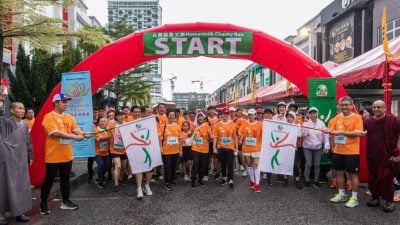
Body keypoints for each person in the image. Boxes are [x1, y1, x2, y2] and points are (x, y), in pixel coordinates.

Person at [40, 93, 91, 215]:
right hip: (53, 155)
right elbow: (55, 133)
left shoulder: (69, 117)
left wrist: (83, 134)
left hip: (67, 154)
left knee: (65, 180)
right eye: (63, 102)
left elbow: (76, 129)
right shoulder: (48, 117)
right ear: (56, 103)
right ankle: (43, 204)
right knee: (49, 180)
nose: (66, 104)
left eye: (67, 102)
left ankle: (66, 202)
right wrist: (75, 136)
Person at [328, 96, 365, 208]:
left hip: (352, 152)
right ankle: (342, 194)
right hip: (338, 150)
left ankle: (354, 198)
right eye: (342, 105)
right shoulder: (338, 117)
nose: (344, 107)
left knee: (353, 175)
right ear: (339, 106)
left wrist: (340, 132)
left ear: (352, 106)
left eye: (347, 105)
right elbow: (332, 130)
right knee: (339, 173)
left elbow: (358, 133)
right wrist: (328, 131)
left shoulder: (357, 117)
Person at [364, 100, 400, 212]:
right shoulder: (368, 121)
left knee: (387, 179)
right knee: (373, 177)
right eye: (374, 107)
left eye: (379, 107)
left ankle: (389, 201)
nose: (376, 109)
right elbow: (364, 134)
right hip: (372, 154)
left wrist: (399, 153)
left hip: (388, 154)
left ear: (385, 108)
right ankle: (375, 198)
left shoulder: (394, 120)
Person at [0, 101, 33, 224]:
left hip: (21, 159)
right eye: (19, 108)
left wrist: (30, 155)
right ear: (12, 110)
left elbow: (28, 142)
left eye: (23, 108)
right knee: (4, 185)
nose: (22, 111)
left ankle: (19, 212)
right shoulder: (5, 123)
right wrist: (1, 100)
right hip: (6, 160)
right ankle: (1, 213)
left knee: (21, 186)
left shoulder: (24, 125)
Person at [301, 107, 330, 188]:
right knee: (308, 163)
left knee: (317, 164)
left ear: (317, 113)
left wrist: (326, 144)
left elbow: (325, 134)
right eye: (311, 113)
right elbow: (302, 134)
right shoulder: (306, 123)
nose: (313, 114)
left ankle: (316, 180)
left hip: (318, 147)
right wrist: (305, 127)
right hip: (307, 146)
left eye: (314, 113)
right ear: (308, 114)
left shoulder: (321, 123)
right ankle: (307, 180)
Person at [212, 107, 238, 189]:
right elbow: (215, 137)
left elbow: (235, 137)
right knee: (223, 164)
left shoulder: (233, 125)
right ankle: (224, 178)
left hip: (230, 148)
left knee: (230, 164)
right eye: (224, 114)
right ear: (221, 115)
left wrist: (236, 148)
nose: (226, 115)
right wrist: (214, 148)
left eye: (227, 114)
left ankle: (231, 180)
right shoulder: (217, 125)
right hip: (220, 147)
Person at [239, 108, 263, 192]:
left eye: (252, 114)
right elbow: (240, 133)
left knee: (256, 164)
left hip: (257, 147)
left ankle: (257, 183)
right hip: (246, 148)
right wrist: (240, 138)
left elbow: (265, 134)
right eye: (249, 114)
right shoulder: (244, 123)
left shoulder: (260, 124)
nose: (251, 116)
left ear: (255, 115)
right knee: (249, 165)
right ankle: (252, 181)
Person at [159, 109, 182, 191]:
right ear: (167, 116)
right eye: (170, 115)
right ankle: (167, 182)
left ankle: (171, 180)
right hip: (166, 151)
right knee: (167, 167)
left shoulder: (177, 126)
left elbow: (180, 139)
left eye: (173, 115)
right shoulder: (163, 126)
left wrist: (180, 150)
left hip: (175, 150)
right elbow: (160, 138)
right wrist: (161, 148)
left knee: (173, 166)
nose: (172, 116)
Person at [109, 111, 128, 192]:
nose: (122, 117)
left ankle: (120, 178)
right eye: (120, 115)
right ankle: (116, 184)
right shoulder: (111, 125)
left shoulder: (127, 125)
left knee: (124, 167)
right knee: (118, 166)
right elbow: (105, 130)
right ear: (116, 117)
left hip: (124, 150)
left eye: (123, 115)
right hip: (114, 150)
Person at [191, 112, 211, 188]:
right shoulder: (194, 126)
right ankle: (193, 180)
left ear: (204, 118)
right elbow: (190, 135)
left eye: (201, 117)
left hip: (204, 148)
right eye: (198, 117)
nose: (200, 118)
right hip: (195, 148)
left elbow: (210, 138)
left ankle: (200, 180)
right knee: (195, 164)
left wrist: (209, 136)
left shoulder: (207, 126)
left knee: (203, 165)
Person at [93, 117, 111, 189]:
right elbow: (100, 139)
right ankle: (100, 181)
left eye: (104, 121)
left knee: (107, 166)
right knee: (101, 165)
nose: (103, 122)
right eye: (101, 121)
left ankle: (99, 177)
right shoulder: (95, 130)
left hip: (105, 152)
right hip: (97, 152)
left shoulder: (107, 130)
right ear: (98, 122)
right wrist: (111, 137)